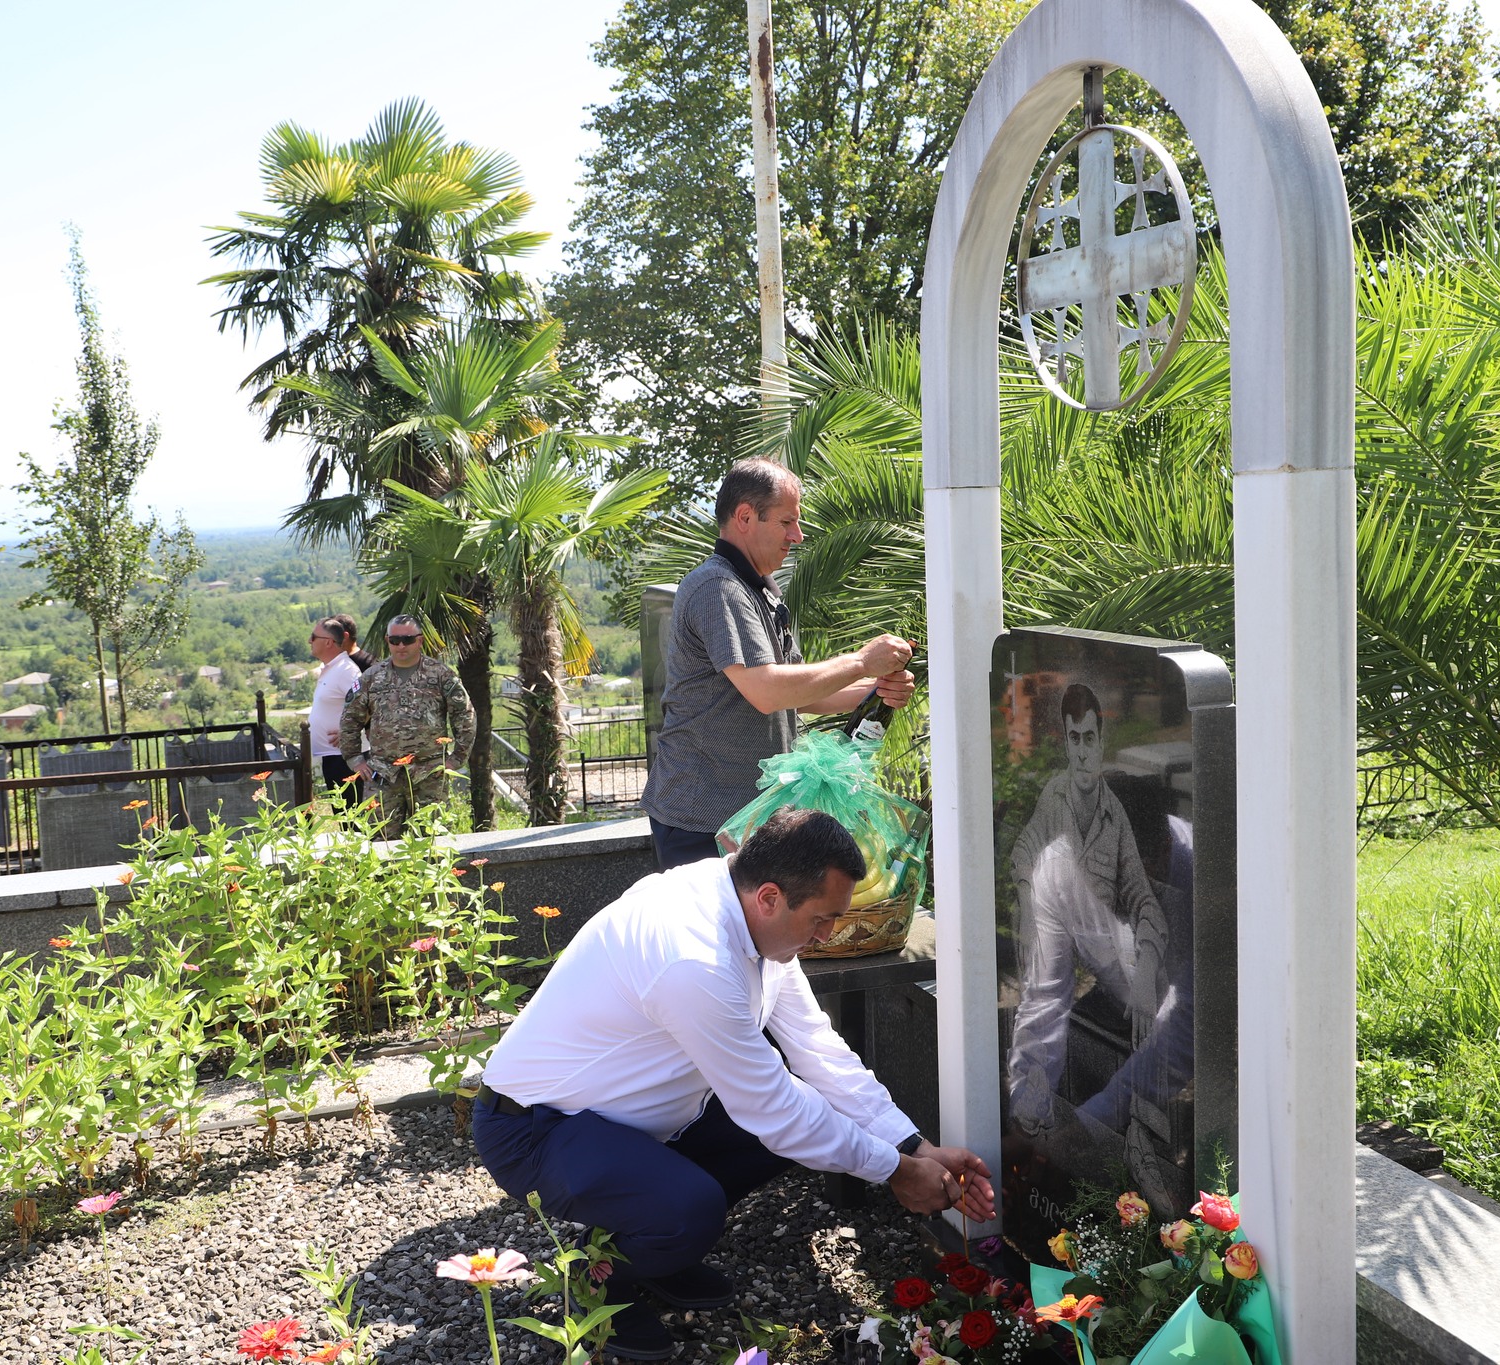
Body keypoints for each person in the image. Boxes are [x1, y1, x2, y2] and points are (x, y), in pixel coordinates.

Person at [473, 807, 996, 1361]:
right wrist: (897, 1172)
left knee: (795, 1131)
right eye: (822, 920)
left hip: (621, 1114)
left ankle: (655, 1246)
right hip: (535, 1129)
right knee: (694, 1207)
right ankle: (602, 1278)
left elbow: (817, 1047)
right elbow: (774, 1108)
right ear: (770, 896)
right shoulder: (692, 957)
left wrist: (914, 1147)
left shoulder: (748, 909)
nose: (827, 936)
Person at [641, 458, 916, 870]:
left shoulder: (761, 591)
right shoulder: (717, 586)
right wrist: (862, 662)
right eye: (787, 522)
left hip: (751, 818)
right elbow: (767, 691)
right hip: (701, 822)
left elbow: (798, 694)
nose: (798, 536)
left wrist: (876, 692)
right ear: (745, 517)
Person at [1003, 684, 1174, 1189]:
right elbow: (1024, 852)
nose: (1082, 751)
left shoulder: (1112, 813)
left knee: (1152, 991)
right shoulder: (1055, 795)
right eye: (1073, 739)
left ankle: (1142, 1139)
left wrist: (1145, 968)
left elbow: (1141, 897)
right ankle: (1030, 1111)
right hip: (1054, 921)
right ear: (1066, 743)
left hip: (1097, 928)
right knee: (1044, 984)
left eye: (1089, 739)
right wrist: (1028, 907)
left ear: (1102, 743)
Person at [337, 614, 476, 837]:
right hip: (383, 774)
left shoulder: (441, 675)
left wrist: (456, 759)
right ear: (387, 641)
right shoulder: (371, 678)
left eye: (408, 640)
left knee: (433, 843)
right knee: (381, 843)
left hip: (429, 775)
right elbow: (350, 719)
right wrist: (355, 759)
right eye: (395, 640)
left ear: (420, 640)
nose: (401, 645)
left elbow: (465, 716)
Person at [307, 615, 369, 810]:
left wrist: (348, 732)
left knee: (351, 818)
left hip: (345, 759)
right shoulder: (333, 668)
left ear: (328, 642)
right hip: (333, 757)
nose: (309, 641)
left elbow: (370, 704)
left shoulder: (346, 671)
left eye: (313, 637)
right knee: (343, 817)